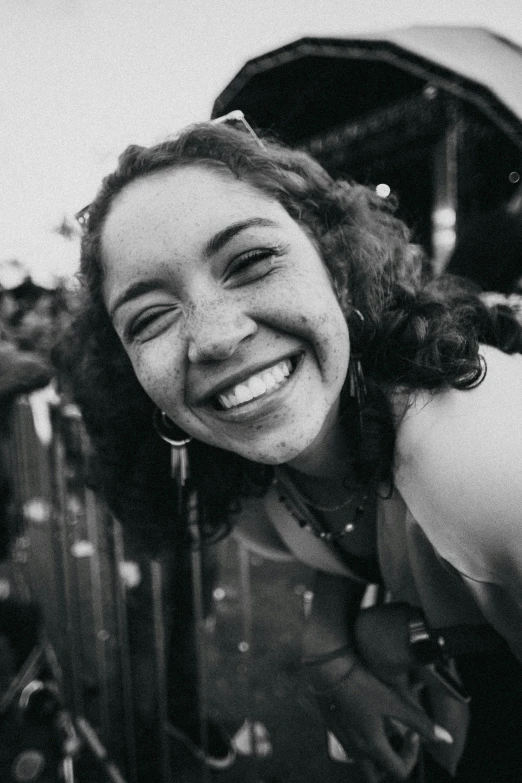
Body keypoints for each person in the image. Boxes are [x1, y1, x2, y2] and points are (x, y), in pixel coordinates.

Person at [59, 117, 522, 783]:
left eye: (250, 261)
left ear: (336, 266)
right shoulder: (247, 475)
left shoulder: (478, 461)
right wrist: (328, 638)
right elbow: (354, 523)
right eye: (150, 317)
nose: (214, 337)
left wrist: (414, 638)